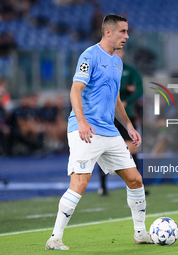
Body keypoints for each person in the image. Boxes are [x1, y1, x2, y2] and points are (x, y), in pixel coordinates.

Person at [45, 14, 152, 251]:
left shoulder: (117, 62)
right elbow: (75, 91)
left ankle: (140, 233)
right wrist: (82, 122)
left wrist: (129, 127)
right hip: (86, 130)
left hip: (109, 131)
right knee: (80, 183)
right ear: (108, 32)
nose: (126, 36)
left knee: (135, 180)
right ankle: (55, 237)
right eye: (123, 32)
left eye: (127, 32)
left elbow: (116, 101)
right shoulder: (89, 56)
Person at [98, 48, 143, 196]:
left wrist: (126, 100)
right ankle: (103, 186)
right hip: (108, 117)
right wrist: (125, 88)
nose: (118, 53)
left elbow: (139, 90)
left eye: (120, 51)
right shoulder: (103, 69)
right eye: (115, 51)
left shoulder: (130, 70)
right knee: (103, 150)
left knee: (132, 149)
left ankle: (136, 184)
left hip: (126, 115)